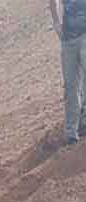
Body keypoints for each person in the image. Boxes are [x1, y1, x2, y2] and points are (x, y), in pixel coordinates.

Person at [50, 0, 86, 144]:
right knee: (70, 85)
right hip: (68, 38)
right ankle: (71, 131)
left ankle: (83, 121)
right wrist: (56, 23)